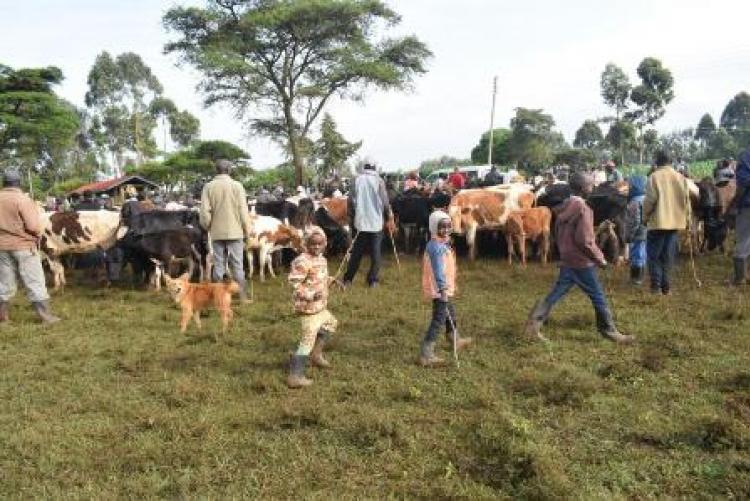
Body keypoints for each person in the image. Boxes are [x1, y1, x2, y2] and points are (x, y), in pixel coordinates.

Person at [525, 172, 634, 343]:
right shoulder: (584, 208)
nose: (593, 188)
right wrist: (600, 259)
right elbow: (585, 241)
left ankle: (533, 324)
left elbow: (563, 233)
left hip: (568, 257)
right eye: (591, 186)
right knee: (598, 295)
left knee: (556, 293)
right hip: (581, 261)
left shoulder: (565, 205)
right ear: (584, 189)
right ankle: (609, 330)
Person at [0, 170, 60, 323]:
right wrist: (38, 233)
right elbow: (33, 226)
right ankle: (45, 316)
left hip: (2, 247)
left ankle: (2, 316)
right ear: (19, 183)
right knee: (34, 280)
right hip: (24, 246)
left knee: (4, 282)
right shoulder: (23, 200)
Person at [418, 210, 472, 366]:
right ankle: (426, 354)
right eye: (443, 227)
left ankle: (455, 339)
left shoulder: (441, 243)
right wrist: (442, 290)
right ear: (434, 228)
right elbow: (438, 271)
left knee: (451, 315)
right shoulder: (436, 248)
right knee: (438, 320)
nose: (447, 230)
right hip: (440, 290)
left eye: (449, 226)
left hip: (444, 288)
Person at [286, 228, 338, 388]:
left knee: (331, 324)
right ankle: (295, 376)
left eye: (319, 244)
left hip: (320, 307)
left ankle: (316, 355)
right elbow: (295, 283)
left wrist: (331, 280)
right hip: (308, 309)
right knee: (306, 341)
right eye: (312, 244)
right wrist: (309, 295)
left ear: (324, 244)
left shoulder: (321, 259)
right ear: (306, 243)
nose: (316, 247)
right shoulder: (302, 261)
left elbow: (319, 277)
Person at [199, 159, 252, 302]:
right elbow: (243, 211)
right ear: (229, 169)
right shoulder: (237, 186)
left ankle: (218, 298)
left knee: (218, 266)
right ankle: (242, 297)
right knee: (237, 266)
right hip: (236, 231)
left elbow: (204, 212)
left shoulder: (208, 187)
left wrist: (208, 226)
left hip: (216, 232)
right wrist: (247, 231)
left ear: (216, 170)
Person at [643, 150, 690, 295]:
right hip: (675, 223)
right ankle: (667, 288)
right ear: (671, 162)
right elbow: (687, 202)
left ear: (657, 162)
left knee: (654, 256)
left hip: (658, 223)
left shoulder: (654, 177)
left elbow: (649, 201)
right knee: (668, 256)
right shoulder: (680, 178)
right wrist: (687, 220)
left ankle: (656, 287)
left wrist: (644, 218)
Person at [342, 163, 393, 288]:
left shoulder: (356, 180)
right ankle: (373, 280)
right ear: (375, 168)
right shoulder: (379, 181)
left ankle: (348, 279)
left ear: (364, 168)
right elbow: (385, 202)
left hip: (361, 221)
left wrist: (352, 216)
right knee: (376, 252)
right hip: (376, 222)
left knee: (357, 252)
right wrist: (389, 215)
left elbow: (351, 201)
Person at [731, 149, 750, 285]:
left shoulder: (745, 156)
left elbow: (743, 183)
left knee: (743, 239)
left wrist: (735, 203)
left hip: (748, 205)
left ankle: (740, 278)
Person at [625, 175, 648, 285]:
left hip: (638, 232)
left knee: (636, 253)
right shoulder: (646, 198)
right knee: (642, 253)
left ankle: (636, 278)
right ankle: (641, 276)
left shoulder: (635, 201)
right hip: (647, 230)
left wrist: (629, 235)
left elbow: (635, 220)